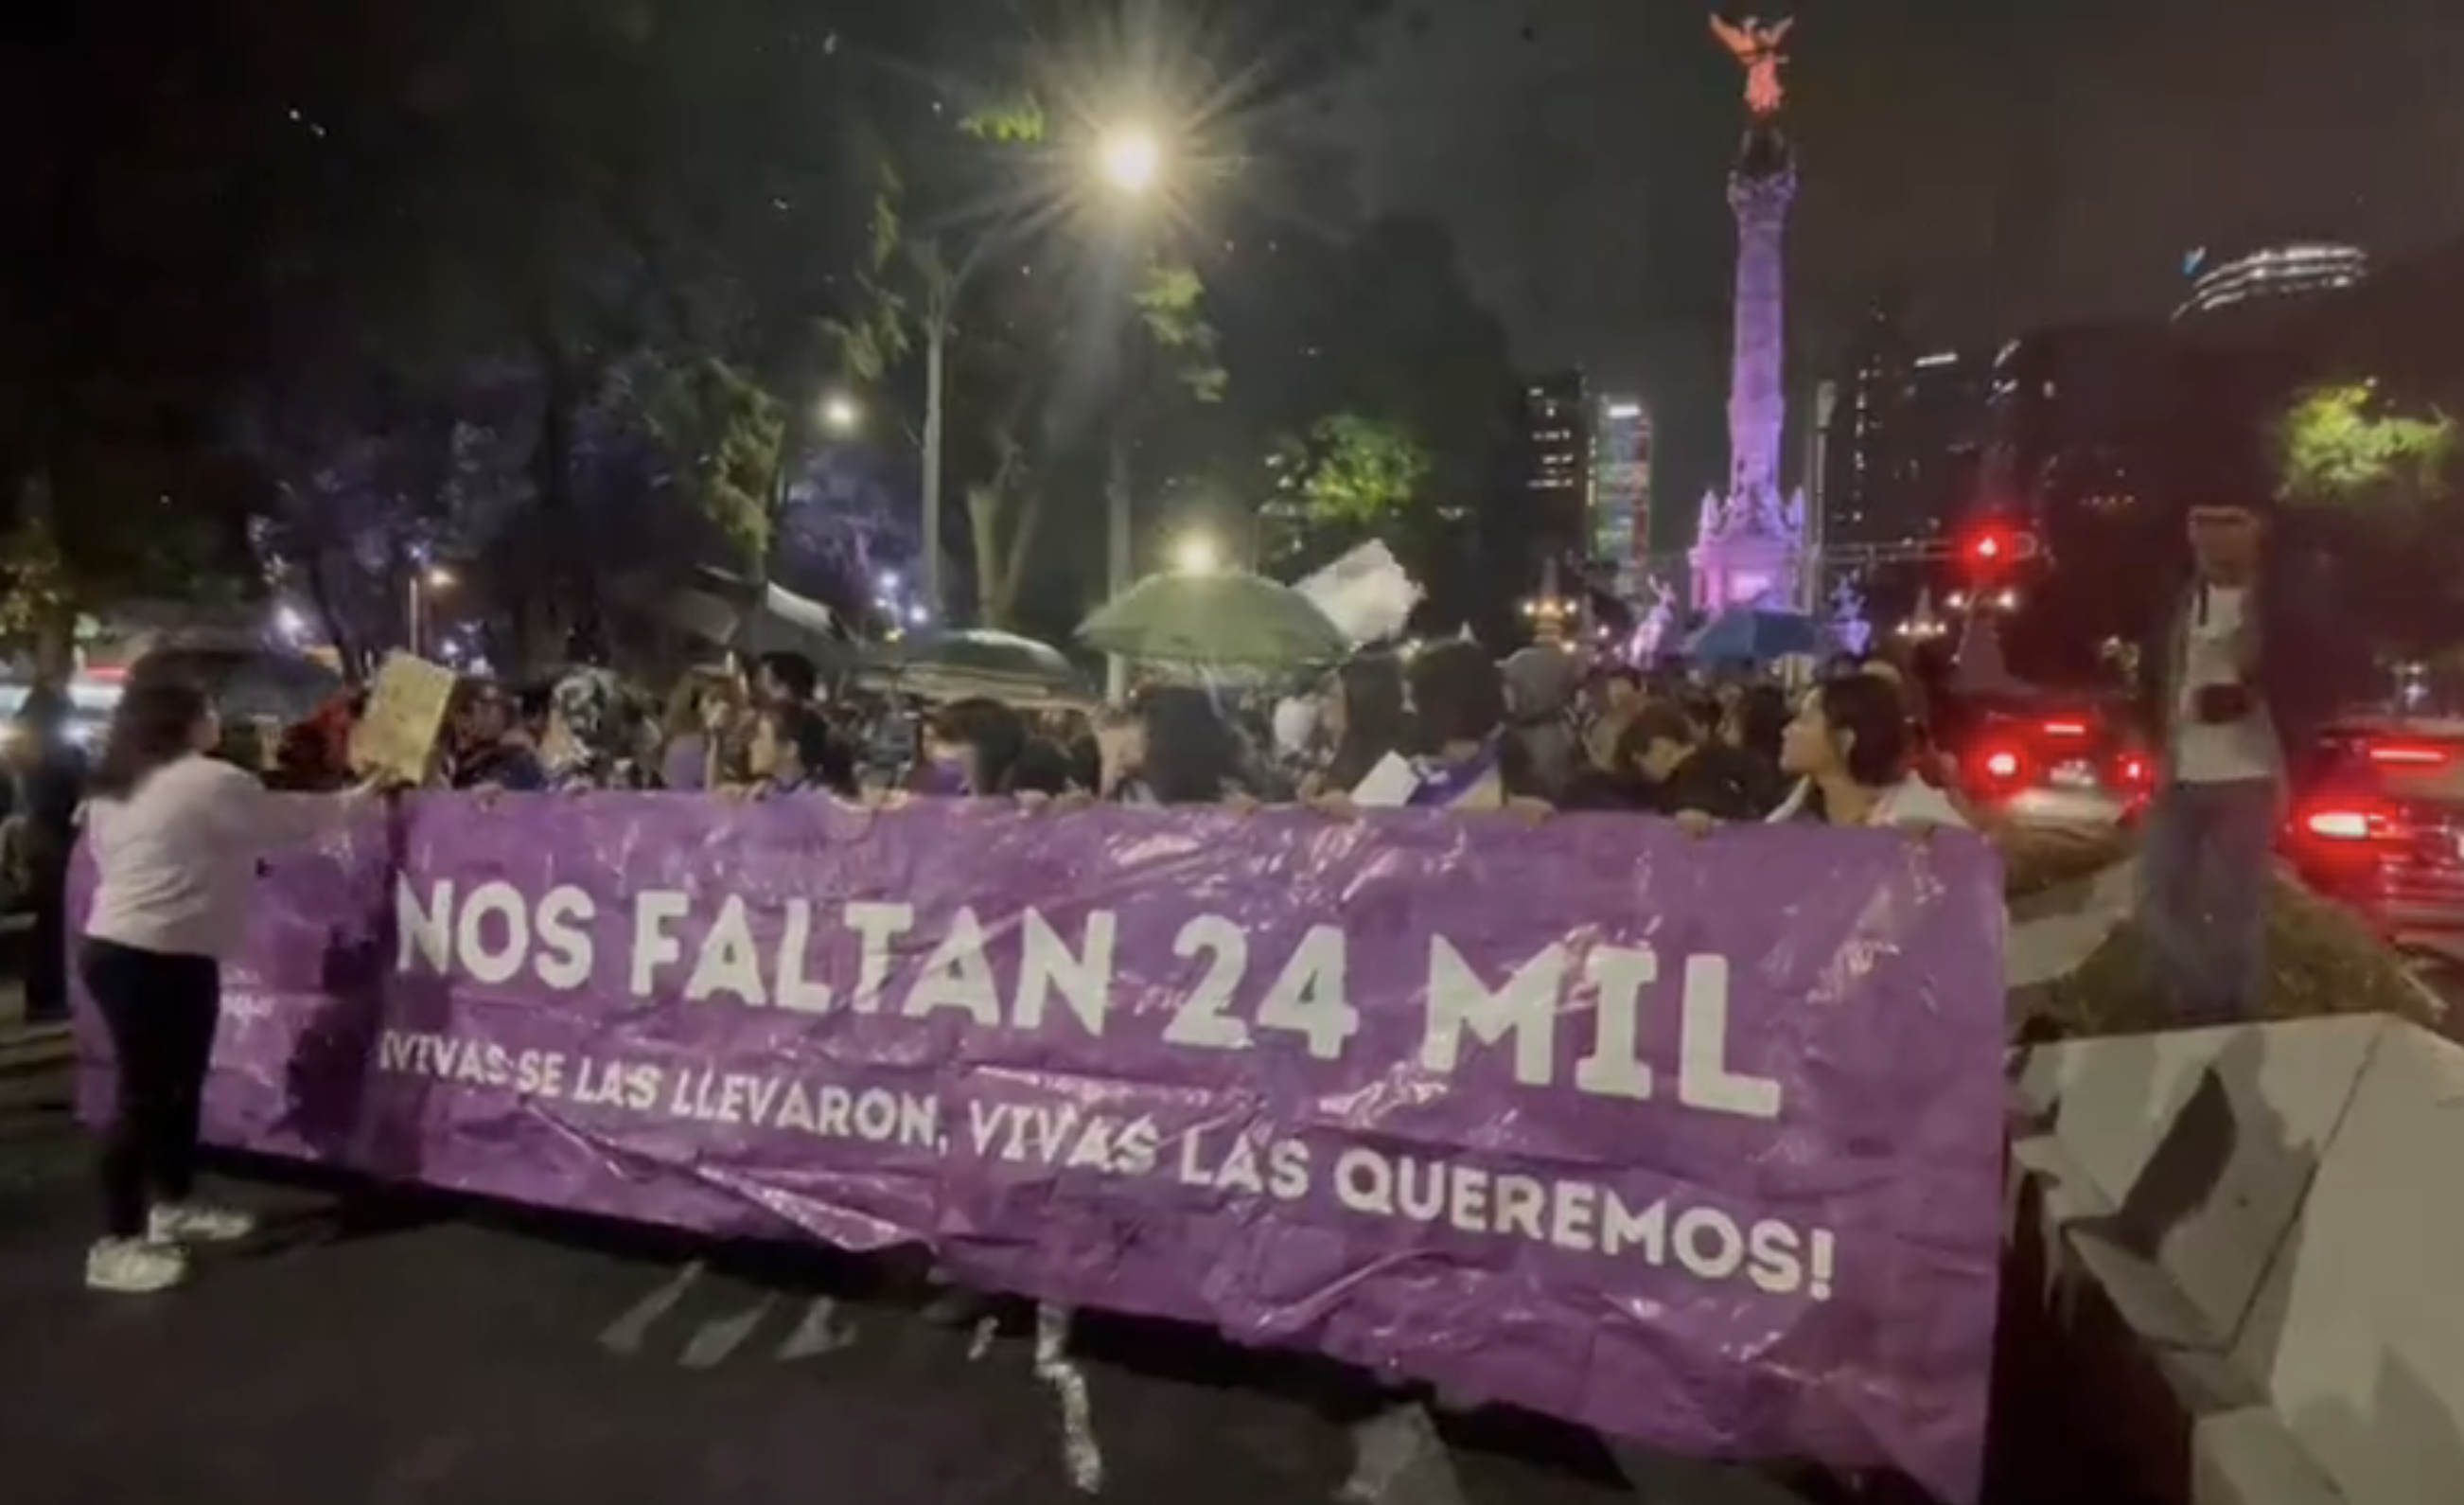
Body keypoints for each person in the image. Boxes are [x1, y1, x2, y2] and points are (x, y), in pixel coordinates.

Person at [78, 678, 374, 1292]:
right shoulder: (211, 781)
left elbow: (119, 862)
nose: (219, 717)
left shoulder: (116, 785)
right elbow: (295, 821)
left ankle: (173, 1203)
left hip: (145, 950)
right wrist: (368, 793)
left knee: (179, 1087)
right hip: (144, 954)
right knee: (145, 1097)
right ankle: (115, 1242)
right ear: (184, 721)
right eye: (209, 709)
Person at [2131, 500, 2349, 1024]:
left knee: (2234, 906)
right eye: (2201, 527)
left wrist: (2252, 694)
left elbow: (2318, 676)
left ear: (2252, 535)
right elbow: (2156, 676)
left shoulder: (2280, 607)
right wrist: (2149, 734)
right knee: (2154, 896)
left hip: (2248, 775)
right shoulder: (2183, 603)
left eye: (2224, 525)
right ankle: (2203, 999)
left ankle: (2229, 1011)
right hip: (2181, 772)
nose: (2208, 539)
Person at [1766, 673, 1969, 830]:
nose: (1787, 730)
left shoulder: (1923, 828)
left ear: (1845, 740)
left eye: (1805, 719)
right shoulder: (1794, 819)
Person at [7, 686, 86, 1023]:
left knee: (47, 920)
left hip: (37, 836)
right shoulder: (60, 753)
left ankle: (44, 995)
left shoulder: (24, 750)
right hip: (56, 837)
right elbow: (73, 792)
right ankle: (50, 997)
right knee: (55, 920)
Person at [1620, 700, 1770, 824]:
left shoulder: (1681, 789)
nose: (1643, 771)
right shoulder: (1737, 760)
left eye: (1640, 759)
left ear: (1660, 745)